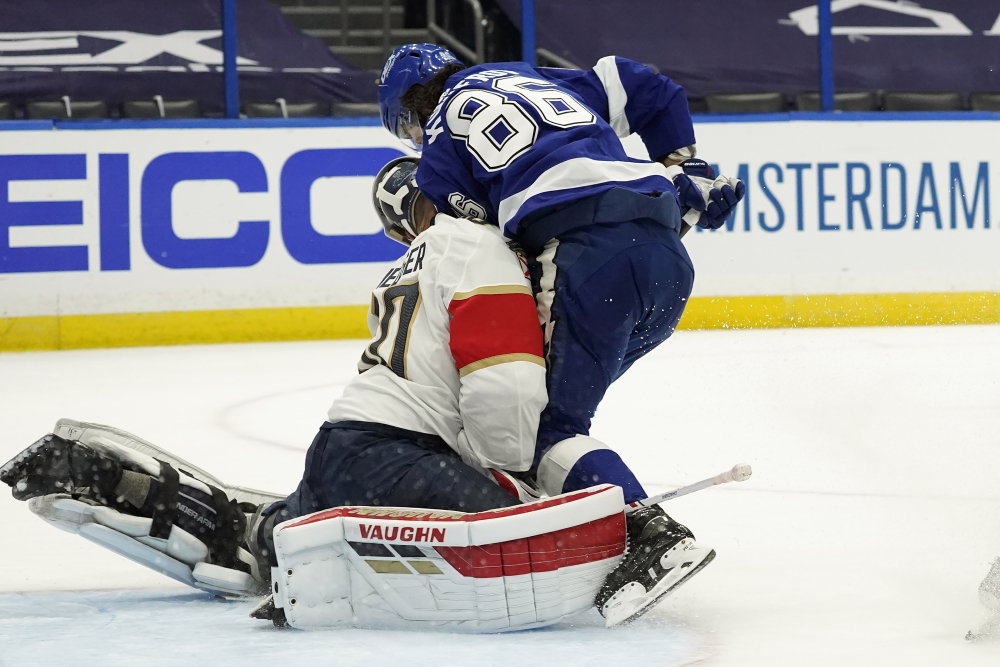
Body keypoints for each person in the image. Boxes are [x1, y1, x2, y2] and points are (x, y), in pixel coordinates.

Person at [0, 158, 714, 627]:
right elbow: (503, 398)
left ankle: (273, 521)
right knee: (521, 519)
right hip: (398, 458)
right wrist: (526, 484)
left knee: (274, 545)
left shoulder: (410, 261)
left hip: (340, 446)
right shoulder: (480, 249)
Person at [377, 45, 740, 615]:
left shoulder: (440, 149)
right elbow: (644, 85)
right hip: (666, 257)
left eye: (405, 124)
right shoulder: (531, 76)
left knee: (544, 425)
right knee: (550, 411)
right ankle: (573, 501)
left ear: (412, 108)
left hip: (589, 260)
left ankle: (649, 536)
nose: (414, 136)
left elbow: (486, 248)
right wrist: (687, 167)